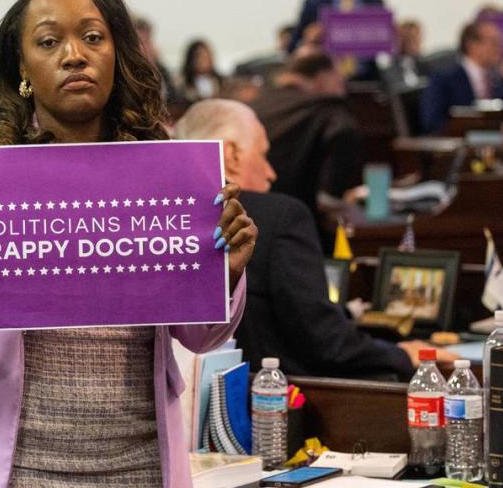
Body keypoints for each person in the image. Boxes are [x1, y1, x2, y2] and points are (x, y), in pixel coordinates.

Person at [0, 0, 255, 487]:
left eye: (92, 37)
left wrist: (224, 274)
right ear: (23, 66)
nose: (74, 55)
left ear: (117, 54)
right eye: (48, 41)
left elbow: (202, 339)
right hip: (0, 464)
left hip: (137, 465)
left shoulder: (165, 165)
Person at [174, 99, 437, 380]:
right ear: (232, 155)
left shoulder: (166, 223)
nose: (270, 172)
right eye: (263, 155)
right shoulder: (281, 216)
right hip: (278, 404)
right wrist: (403, 356)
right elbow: (326, 342)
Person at [249, 52, 362, 236]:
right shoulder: (330, 112)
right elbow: (328, 200)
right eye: (340, 82)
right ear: (322, 78)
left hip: (241, 220)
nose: (344, 90)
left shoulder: (255, 104)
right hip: (299, 229)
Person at [420, 20, 503, 135]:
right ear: (472, 44)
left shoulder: (497, 79)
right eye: (493, 43)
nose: (499, 49)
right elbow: (432, 123)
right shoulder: (444, 78)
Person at [135, 16, 183, 108]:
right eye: (142, 42)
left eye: (148, 41)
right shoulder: (126, 73)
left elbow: (173, 99)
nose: (147, 47)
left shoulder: (161, 70)